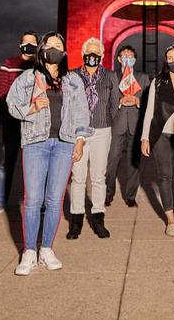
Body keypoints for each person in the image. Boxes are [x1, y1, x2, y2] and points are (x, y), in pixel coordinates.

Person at [7, 32, 90, 275]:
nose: (54, 48)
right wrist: (30, 108)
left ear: (64, 52)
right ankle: (29, 251)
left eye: (59, 45)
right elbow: (11, 104)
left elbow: (82, 112)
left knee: (55, 199)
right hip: (36, 142)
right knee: (33, 199)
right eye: (50, 45)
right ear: (42, 49)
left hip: (64, 143)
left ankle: (46, 249)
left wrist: (80, 140)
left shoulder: (73, 80)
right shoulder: (28, 77)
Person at [139, 44, 174, 239]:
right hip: (160, 135)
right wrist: (145, 137)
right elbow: (149, 111)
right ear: (166, 60)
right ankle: (170, 221)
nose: (173, 60)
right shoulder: (158, 82)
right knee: (165, 177)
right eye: (170, 57)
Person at [67, 37, 120, 239]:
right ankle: (76, 220)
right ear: (82, 54)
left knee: (98, 176)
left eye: (96, 52)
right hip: (77, 133)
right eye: (88, 51)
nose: (92, 55)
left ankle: (98, 218)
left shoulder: (109, 76)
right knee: (78, 177)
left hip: (101, 130)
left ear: (101, 55)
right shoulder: (72, 76)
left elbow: (115, 105)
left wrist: (107, 122)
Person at [0, 31, 37, 217]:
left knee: (35, 164)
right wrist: (19, 107)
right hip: (13, 119)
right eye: (25, 42)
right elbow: (2, 91)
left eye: (32, 42)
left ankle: (36, 202)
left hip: (34, 120)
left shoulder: (39, 65)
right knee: (7, 162)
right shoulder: (9, 64)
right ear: (20, 45)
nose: (28, 45)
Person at [105, 45, 148, 207]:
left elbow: (149, 101)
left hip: (136, 125)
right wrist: (119, 102)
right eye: (124, 55)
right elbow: (106, 100)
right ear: (119, 59)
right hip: (117, 124)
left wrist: (138, 101)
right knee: (112, 160)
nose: (127, 58)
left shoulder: (142, 78)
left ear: (135, 60)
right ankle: (108, 193)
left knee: (133, 162)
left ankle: (130, 195)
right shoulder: (112, 76)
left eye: (130, 55)